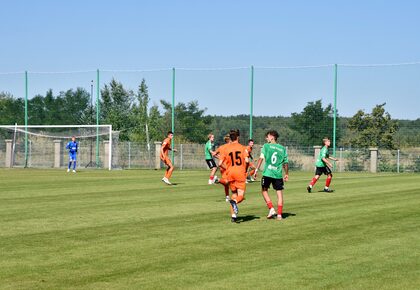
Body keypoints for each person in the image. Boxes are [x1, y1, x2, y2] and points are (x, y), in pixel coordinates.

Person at [254, 130, 289, 220]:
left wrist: (256, 170)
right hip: (278, 174)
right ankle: (279, 215)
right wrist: (286, 174)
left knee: (264, 190)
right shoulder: (282, 148)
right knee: (279, 194)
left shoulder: (266, 146)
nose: (266, 138)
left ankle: (271, 208)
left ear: (272, 137)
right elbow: (285, 163)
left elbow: (261, 158)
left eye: (268, 136)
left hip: (267, 173)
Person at [219, 129, 249, 223]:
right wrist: (245, 170)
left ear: (230, 138)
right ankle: (235, 202)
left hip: (230, 173)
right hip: (240, 173)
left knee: (234, 194)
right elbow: (247, 161)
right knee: (240, 196)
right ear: (238, 137)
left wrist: (227, 168)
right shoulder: (243, 147)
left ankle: (233, 215)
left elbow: (220, 163)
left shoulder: (226, 148)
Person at [214, 134, 231, 202]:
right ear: (228, 140)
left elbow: (214, 154)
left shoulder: (221, 147)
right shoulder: (229, 147)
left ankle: (227, 196)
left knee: (226, 183)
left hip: (222, 167)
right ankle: (217, 179)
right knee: (227, 182)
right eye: (230, 140)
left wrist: (219, 157)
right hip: (226, 166)